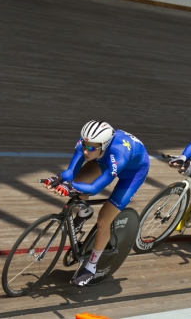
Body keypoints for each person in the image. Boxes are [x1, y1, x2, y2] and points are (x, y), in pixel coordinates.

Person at [44, 120, 149, 287]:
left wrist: (69, 186)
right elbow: (71, 172)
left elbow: (94, 188)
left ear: (104, 144)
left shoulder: (118, 156)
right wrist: (58, 178)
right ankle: (84, 212)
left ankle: (91, 267)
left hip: (133, 172)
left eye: (91, 147)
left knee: (103, 220)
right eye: (85, 145)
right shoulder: (88, 144)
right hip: (102, 157)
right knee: (79, 180)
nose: (85, 150)